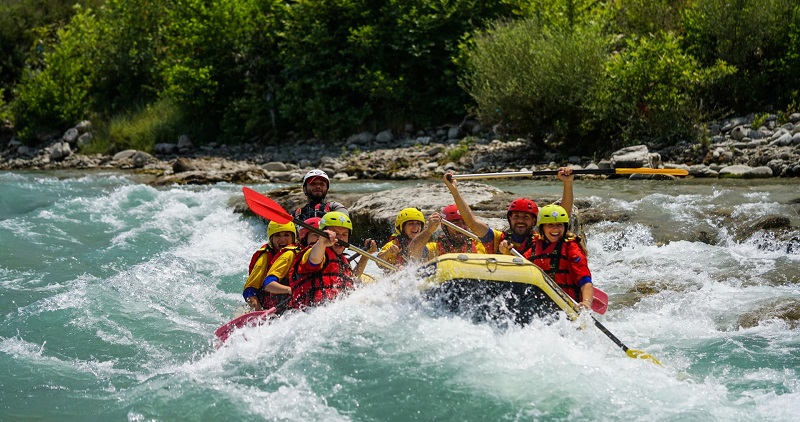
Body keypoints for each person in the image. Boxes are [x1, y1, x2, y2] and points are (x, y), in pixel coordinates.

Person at [443, 168, 574, 256]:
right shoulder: (495, 239)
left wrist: (567, 184)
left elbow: (562, 217)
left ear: (535, 221)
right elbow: (471, 222)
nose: (520, 221)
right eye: (516, 216)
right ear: (509, 219)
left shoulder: (541, 240)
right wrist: (454, 190)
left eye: (526, 217)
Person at [289, 211, 374, 309]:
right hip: (311, 312)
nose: (340, 238)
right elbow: (314, 260)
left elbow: (353, 279)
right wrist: (321, 242)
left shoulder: (342, 259)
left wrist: (366, 255)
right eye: (336, 233)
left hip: (337, 312)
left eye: (344, 234)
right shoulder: (314, 251)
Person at [524, 204, 594, 310]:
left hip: (567, 306)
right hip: (540, 305)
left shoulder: (571, 249)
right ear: (542, 228)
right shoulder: (533, 248)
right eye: (550, 225)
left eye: (559, 225)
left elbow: (585, 282)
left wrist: (586, 302)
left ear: (565, 227)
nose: (555, 229)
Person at [242, 221, 299, 311]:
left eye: (286, 235)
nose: (282, 240)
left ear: (293, 237)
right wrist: (259, 310)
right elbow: (249, 291)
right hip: (264, 306)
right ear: (271, 239)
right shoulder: (265, 257)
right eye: (277, 235)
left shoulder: (299, 252)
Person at [408, 204, 486, 262]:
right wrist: (429, 231)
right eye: (455, 223)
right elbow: (413, 251)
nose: (461, 227)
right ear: (445, 227)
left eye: (464, 222)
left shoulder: (479, 244)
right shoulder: (435, 248)